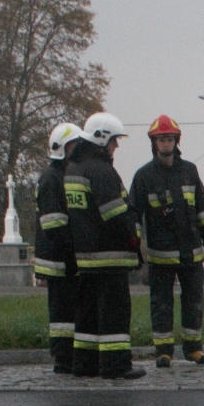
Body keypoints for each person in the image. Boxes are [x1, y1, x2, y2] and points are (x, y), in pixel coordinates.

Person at [129, 114, 204, 367]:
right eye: (161, 140)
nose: (166, 144)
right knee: (161, 303)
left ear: (176, 141)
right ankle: (164, 351)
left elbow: (203, 207)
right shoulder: (144, 176)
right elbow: (134, 212)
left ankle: (193, 349)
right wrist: (134, 243)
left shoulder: (190, 171)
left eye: (169, 139)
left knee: (193, 300)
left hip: (191, 250)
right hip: (160, 253)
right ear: (154, 143)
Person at [64, 112, 143, 380]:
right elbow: (116, 214)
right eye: (114, 141)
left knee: (86, 314)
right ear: (101, 139)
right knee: (114, 314)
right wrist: (133, 238)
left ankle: (84, 365)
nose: (116, 147)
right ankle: (116, 365)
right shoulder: (101, 171)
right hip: (110, 257)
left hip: (85, 258)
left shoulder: (74, 169)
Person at [34, 122, 81, 374]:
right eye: (75, 145)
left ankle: (67, 355)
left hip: (61, 258)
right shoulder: (52, 178)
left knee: (68, 311)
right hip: (57, 260)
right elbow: (54, 225)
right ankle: (63, 358)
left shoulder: (60, 175)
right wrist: (70, 256)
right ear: (64, 148)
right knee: (62, 314)